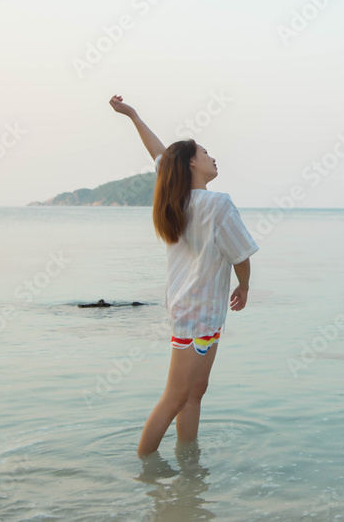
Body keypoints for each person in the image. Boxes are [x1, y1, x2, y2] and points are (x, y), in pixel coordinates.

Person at [108, 94, 259, 459]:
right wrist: (245, 285)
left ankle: (188, 464)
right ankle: (144, 469)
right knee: (175, 397)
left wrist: (133, 115)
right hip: (196, 315)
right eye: (206, 153)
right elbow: (240, 254)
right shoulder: (216, 203)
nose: (213, 157)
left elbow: (159, 155)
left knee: (195, 392)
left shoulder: (180, 199)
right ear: (192, 163)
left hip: (203, 313)